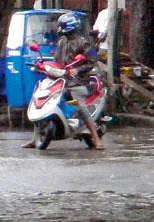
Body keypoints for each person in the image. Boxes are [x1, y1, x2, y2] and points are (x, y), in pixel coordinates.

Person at [21, 13, 104, 149]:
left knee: (80, 105)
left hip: (78, 81)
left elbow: (92, 61)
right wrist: (44, 66)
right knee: (39, 98)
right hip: (61, 79)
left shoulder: (84, 42)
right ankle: (34, 138)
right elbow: (57, 62)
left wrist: (78, 70)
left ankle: (96, 138)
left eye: (62, 26)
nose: (59, 29)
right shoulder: (61, 42)